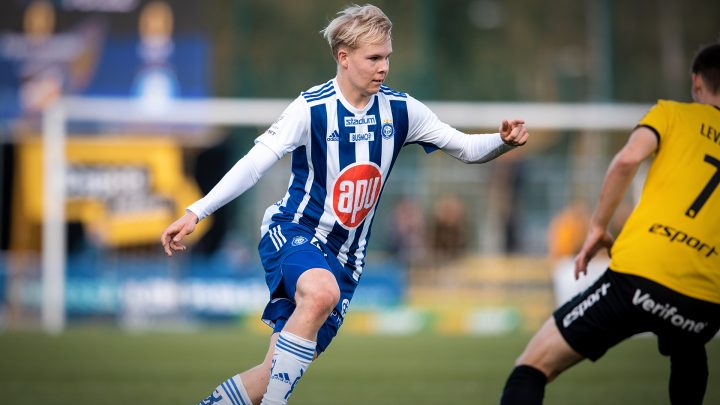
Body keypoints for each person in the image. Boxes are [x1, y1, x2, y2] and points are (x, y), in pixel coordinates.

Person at [161, 4, 528, 405]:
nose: (383, 66)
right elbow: (254, 164)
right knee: (320, 293)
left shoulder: (402, 110)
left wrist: (501, 141)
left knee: (271, 375)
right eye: (373, 58)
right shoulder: (311, 108)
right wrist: (198, 210)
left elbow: (467, 148)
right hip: (293, 231)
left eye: (387, 56)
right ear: (344, 57)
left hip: (346, 262)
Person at [499, 42, 720, 405]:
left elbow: (626, 160)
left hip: (641, 274)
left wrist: (597, 227)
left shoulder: (672, 114)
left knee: (532, 366)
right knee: (688, 350)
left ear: (697, 83)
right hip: (707, 296)